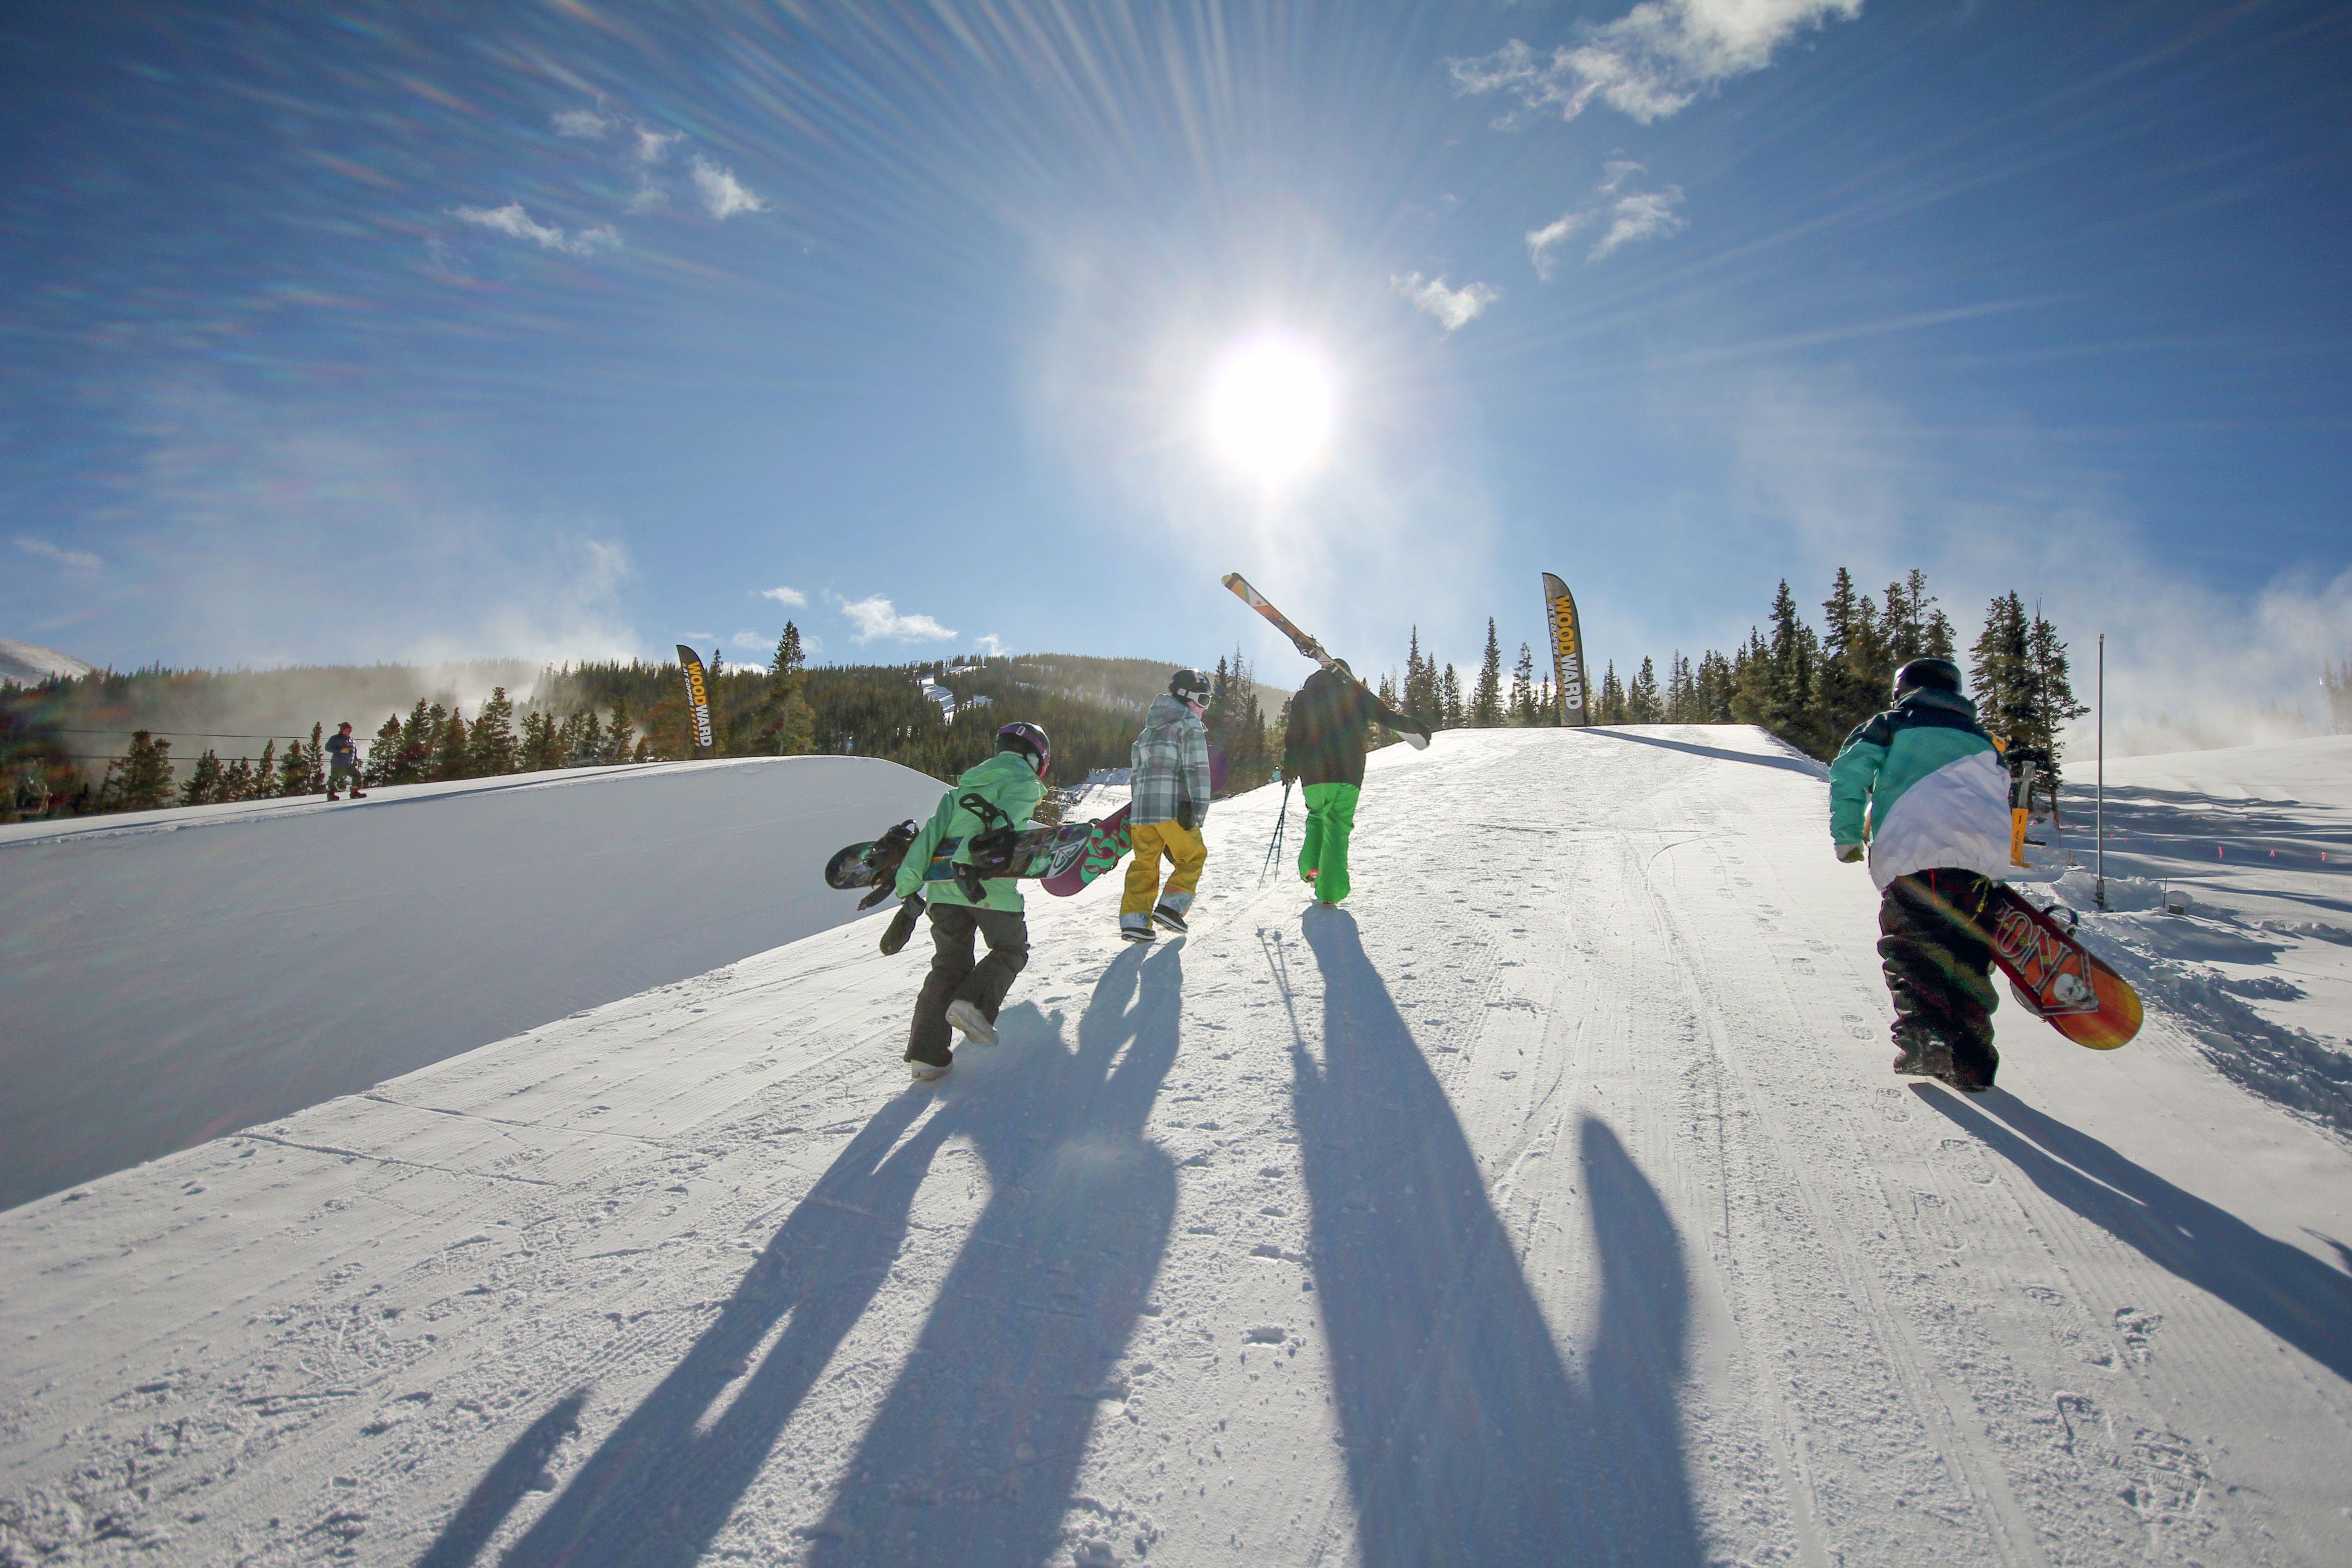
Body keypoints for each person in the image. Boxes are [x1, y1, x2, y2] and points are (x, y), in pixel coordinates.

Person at [1829, 657, 2017, 1093]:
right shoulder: (1985, 740)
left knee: (1914, 949)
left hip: (1917, 852)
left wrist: (1847, 837)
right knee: (1968, 958)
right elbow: (2001, 794)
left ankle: (1924, 1042)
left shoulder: (1894, 723)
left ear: (1904, 689)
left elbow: (1849, 771)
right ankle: (1974, 1062)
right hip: (1981, 866)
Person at [890, 720, 1051, 1082]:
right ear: (1036, 758)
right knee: (1010, 948)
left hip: (942, 896)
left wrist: (908, 887)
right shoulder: (1025, 784)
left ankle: (926, 1057)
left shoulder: (957, 793)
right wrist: (966, 862)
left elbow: (928, 837)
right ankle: (974, 1005)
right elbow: (1000, 824)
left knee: (948, 966)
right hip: (986, 886)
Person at [1281, 660, 1426, 907]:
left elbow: (1295, 736)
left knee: (1317, 817)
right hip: (1349, 774)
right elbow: (1387, 717)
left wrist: (1290, 768)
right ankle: (1331, 891)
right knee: (1337, 827)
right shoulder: (1357, 695)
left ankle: (1312, 868)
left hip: (1314, 774)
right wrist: (1418, 729)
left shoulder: (1305, 697)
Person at [1120, 668, 1216, 942]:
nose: (1204, 708)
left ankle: (1135, 921)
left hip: (1143, 812)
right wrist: (1198, 809)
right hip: (1174, 807)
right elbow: (1197, 770)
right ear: (1190, 698)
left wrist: (1138, 806)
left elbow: (1136, 773)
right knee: (1193, 856)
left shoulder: (1147, 732)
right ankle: (1171, 908)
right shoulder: (1188, 723)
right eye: (1204, 700)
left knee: (1144, 863)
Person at [324, 721, 367, 801]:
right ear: (343, 730)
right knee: (334, 779)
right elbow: (327, 748)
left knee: (357, 775)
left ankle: (354, 793)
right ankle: (331, 795)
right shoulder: (335, 738)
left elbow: (354, 752)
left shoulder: (351, 740)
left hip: (349, 764)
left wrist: (355, 760)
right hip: (338, 763)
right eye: (349, 729)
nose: (351, 731)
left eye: (351, 730)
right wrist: (341, 750)